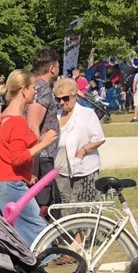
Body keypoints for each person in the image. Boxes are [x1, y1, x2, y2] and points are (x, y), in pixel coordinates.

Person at [0, 70, 57, 246]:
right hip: (10, 183)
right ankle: (49, 262)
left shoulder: (4, 116)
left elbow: (5, 152)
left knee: (9, 235)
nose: (36, 91)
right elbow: (17, 158)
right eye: (33, 87)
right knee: (39, 232)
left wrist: (27, 174)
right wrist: (44, 143)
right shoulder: (17, 121)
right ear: (23, 89)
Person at [49, 77, 106, 218]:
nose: (62, 102)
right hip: (61, 172)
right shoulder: (55, 117)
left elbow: (98, 139)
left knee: (85, 210)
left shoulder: (87, 114)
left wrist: (82, 151)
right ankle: (72, 239)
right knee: (65, 209)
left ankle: (84, 239)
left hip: (85, 170)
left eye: (65, 98)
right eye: (58, 99)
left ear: (75, 95)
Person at [28, 47, 61, 216]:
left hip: (40, 157)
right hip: (41, 158)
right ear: (52, 68)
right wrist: (33, 169)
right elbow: (33, 126)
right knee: (44, 208)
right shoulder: (42, 89)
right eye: (58, 65)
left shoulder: (31, 85)